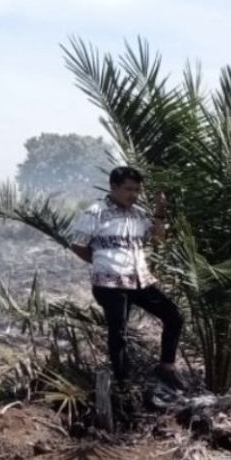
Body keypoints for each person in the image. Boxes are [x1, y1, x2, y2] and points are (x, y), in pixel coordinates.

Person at [69, 166, 184, 404]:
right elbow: (77, 244)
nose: (133, 194)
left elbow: (159, 239)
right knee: (119, 332)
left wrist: (161, 210)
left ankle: (166, 367)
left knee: (174, 316)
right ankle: (124, 384)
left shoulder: (138, 214)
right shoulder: (96, 213)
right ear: (113, 187)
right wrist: (101, 261)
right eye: (128, 189)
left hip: (139, 280)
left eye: (137, 190)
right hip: (110, 283)